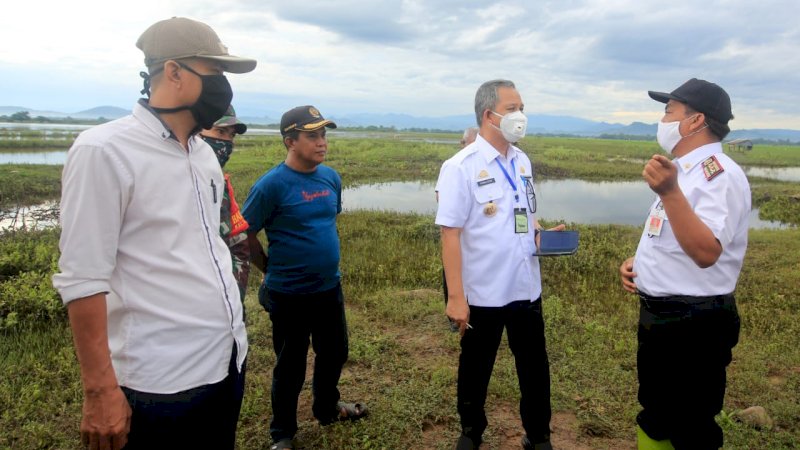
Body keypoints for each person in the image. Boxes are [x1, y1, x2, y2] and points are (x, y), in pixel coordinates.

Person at [52, 17, 255, 450]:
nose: (223, 87)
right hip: (160, 387)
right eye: (214, 72)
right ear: (174, 72)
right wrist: (100, 391)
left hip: (227, 361)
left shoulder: (203, 156)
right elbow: (83, 280)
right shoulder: (104, 151)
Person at [619, 78, 748, 450]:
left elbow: (707, 252)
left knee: (691, 426)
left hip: (694, 323)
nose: (662, 119)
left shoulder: (718, 175)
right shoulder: (683, 169)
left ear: (695, 121)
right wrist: (638, 262)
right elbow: (673, 235)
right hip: (662, 316)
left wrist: (670, 193)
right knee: (656, 415)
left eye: (669, 111)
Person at [436, 80, 562, 450]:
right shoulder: (460, 167)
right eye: (512, 108)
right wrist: (456, 297)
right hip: (483, 293)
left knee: (535, 369)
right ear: (489, 115)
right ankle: (471, 433)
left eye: (522, 106)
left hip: (525, 287)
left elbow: (525, 214)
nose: (520, 115)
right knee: (475, 369)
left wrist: (539, 233)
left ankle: (538, 436)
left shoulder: (521, 160)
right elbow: (450, 235)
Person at [242, 105, 368, 450]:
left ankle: (327, 409)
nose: (322, 142)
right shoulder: (271, 185)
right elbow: (246, 232)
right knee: (290, 366)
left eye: (323, 134)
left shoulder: (331, 177)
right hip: (289, 294)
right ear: (289, 141)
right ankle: (282, 434)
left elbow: (327, 222)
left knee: (334, 352)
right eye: (312, 136)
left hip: (329, 289)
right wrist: (268, 267)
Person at [199, 105, 251, 305]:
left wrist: (235, 298)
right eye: (220, 132)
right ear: (196, 132)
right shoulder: (172, 180)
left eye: (231, 136)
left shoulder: (222, 183)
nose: (227, 142)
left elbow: (239, 245)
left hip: (226, 304)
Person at [436, 126, 479, 332]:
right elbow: (441, 201)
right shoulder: (456, 166)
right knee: (452, 280)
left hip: (475, 249)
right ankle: (455, 319)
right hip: (457, 241)